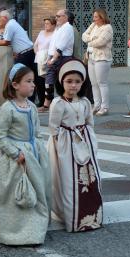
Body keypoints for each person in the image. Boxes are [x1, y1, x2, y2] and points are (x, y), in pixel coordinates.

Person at [0, 63, 51, 245]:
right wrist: (15, 153)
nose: (33, 85)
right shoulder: (8, 109)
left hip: (33, 155)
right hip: (14, 158)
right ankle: (13, 229)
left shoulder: (32, 107)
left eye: (33, 81)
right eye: (28, 81)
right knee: (14, 193)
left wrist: (39, 148)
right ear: (15, 85)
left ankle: (34, 226)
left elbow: (37, 132)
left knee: (36, 189)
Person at [47, 58, 103, 232]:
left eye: (77, 82)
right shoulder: (58, 103)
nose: (73, 85)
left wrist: (91, 142)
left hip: (84, 142)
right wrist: (58, 148)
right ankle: (71, 215)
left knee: (91, 177)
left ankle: (91, 215)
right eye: (69, 81)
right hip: (66, 144)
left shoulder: (85, 102)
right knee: (68, 178)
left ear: (83, 83)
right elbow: (54, 128)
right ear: (61, 82)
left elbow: (89, 123)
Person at [0, 10, 39, 103]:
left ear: (5, 18)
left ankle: (25, 99)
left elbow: (6, 42)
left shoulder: (10, 25)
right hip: (26, 53)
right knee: (26, 77)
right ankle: (28, 99)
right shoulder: (11, 24)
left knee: (20, 76)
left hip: (25, 54)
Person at [38, 9, 74, 112]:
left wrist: (53, 59)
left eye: (58, 16)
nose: (56, 18)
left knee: (62, 81)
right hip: (53, 57)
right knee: (48, 82)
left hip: (61, 58)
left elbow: (61, 46)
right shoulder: (59, 28)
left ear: (65, 17)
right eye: (56, 16)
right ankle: (47, 104)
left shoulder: (67, 28)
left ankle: (66, 104)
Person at [82, 8, 113, 116]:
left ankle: (105, 107)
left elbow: (101, 42)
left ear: (102, 17)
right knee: (94, 83)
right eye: (94, 16)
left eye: (96, 17)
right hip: (91, 57)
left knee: (102, 83)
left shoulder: (107, 28)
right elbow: (83, 36)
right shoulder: (94, 25)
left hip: (102, 58)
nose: (94, 19)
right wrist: (92, 38)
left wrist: (90, 40)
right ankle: (97, 105)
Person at [34, 17, 57, 107]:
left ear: (53, 25)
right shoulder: (41, 33)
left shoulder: (55, 34)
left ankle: (50, 101)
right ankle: (41, 100)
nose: (46, 25)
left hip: (49, 59)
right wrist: (37, 53)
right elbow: (35, 45)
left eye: (48, 23)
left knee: (48, 81)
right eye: (45, 23)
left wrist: (48, 58)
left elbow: (54, 48)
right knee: (39, 81)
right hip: (39, 58)